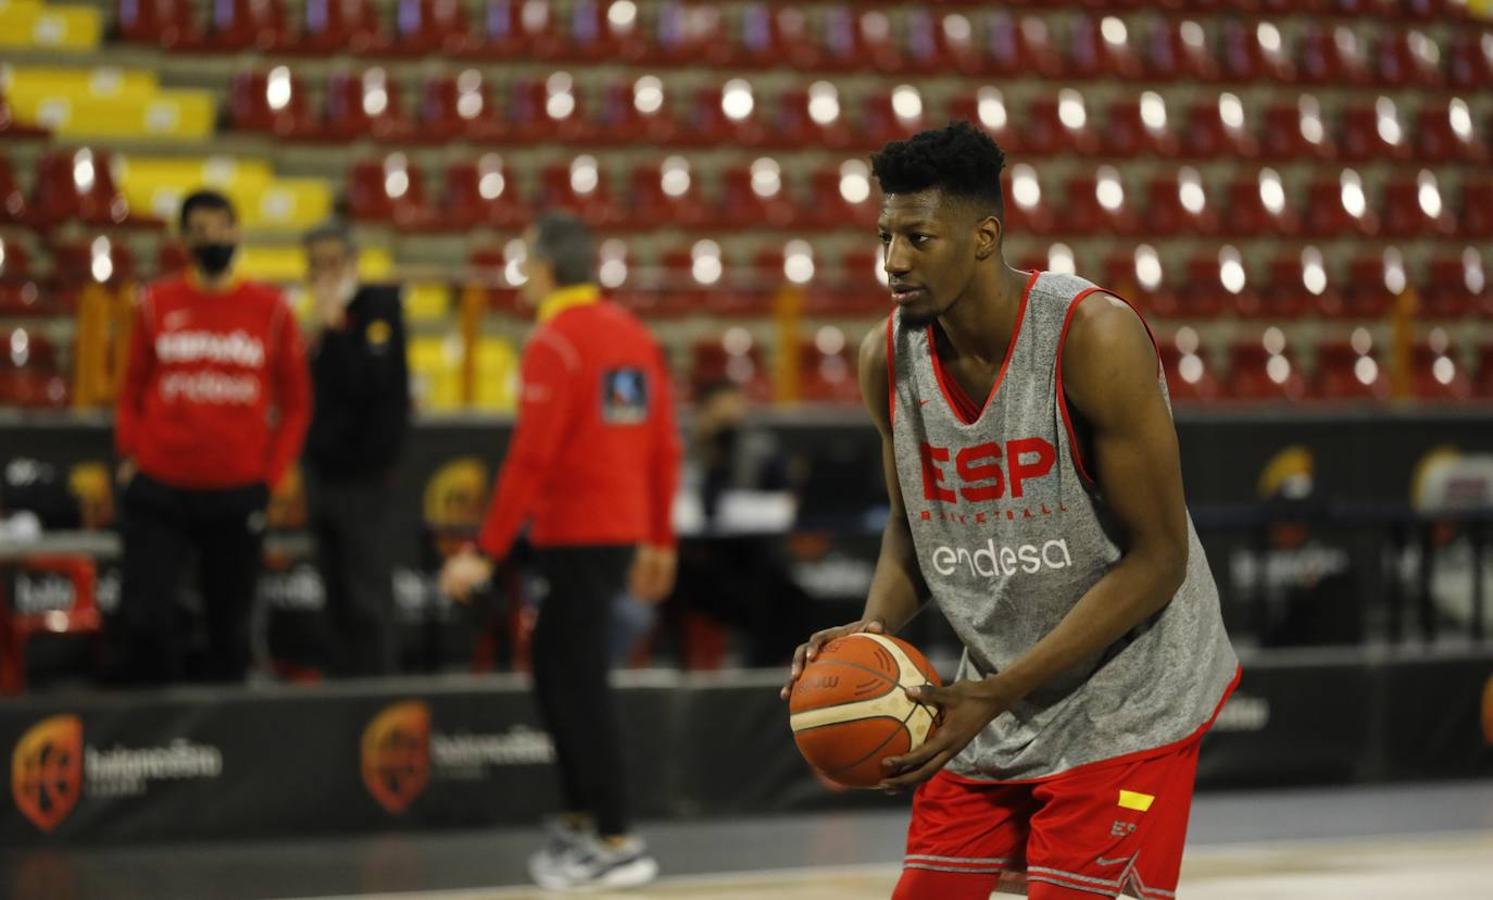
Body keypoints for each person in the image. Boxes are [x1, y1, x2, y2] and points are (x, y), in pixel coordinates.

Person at [780, 122, 1239, 900]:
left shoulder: (1092, 336)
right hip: (993, 694)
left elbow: (1158, 559)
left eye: (919, 238)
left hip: (1128, 697)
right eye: (885, 236)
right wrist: (874, 631)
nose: (893, 261)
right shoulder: (883, 357)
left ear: (983, 236)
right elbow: (910, 526)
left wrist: (997, 690)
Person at [439, 211, 680, 891]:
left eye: (524, 261)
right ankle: (584, 822)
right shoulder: (630, 335)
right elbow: (663, 445)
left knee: (577, 685)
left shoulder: (554, 342)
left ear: (544, 268)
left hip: (577, 535)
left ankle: (616, 838)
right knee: (557, 671)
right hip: (616, 533)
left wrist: (481, 553)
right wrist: (659, 537)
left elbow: (529, 460)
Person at [111, 189, 311, 684]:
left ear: (238, 233)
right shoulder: (155, 303)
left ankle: (224, 741)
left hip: (237, 491)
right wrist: (130, 453)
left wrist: (272, 471)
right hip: (160, 485)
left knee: (231, 627)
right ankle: (151, 736)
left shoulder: (272, 309)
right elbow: (130, 388)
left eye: (221, 228)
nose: (212, 239)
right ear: (183, 240)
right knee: (146, 618)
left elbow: (297, 403)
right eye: (199, 231)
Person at [301, 221, 410, 677]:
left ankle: (379, 688)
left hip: (364, 475)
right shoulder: (312, 323)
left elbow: (371, 384)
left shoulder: (377, 309)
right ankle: (343, 688)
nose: (326, 274)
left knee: (367, 594)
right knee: (336, 593)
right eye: (316, 266)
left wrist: (337, 332)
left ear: (353, 262)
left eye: (334, 263)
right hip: (322, 473)